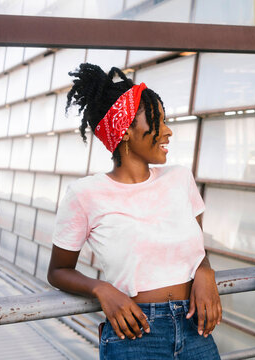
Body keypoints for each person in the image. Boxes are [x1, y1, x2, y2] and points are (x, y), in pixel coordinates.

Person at [48, 63, 221, 360]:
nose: (168, 132)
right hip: (135, 334)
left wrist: (205, 270)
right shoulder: (85, 194)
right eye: (157, 121)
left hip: (196, 330)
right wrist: (102, 289)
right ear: (125, 130)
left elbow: (196, 249)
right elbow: (58, 271)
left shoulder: (180, 178)